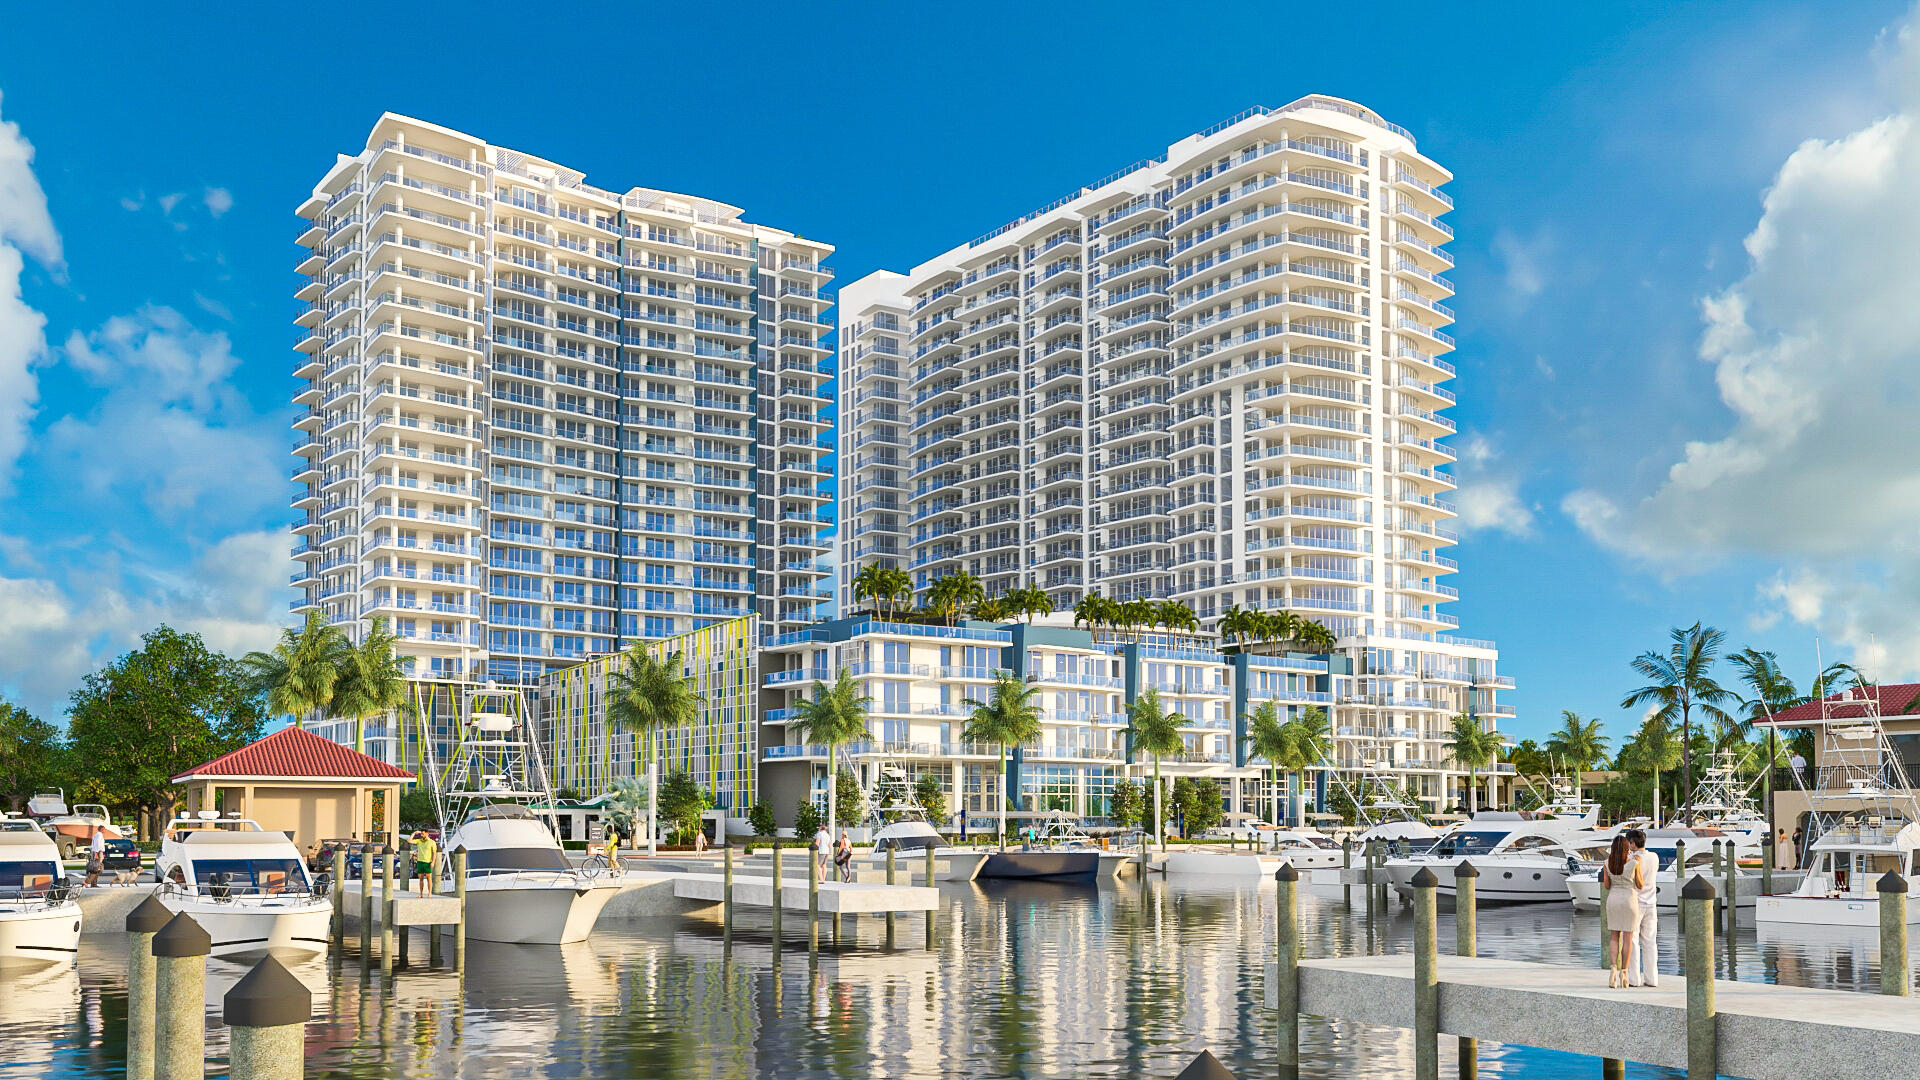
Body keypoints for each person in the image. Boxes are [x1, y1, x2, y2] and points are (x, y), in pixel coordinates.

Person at [1600, 833, 1645, 988]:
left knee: (1614, 937)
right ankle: (1624, 973)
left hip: (1613, 900)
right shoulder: (1634, 863)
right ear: (1627, 848)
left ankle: (1613, 970)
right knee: (1628, 938)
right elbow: (1640, 885)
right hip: (1629, 901)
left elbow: (1606, 886)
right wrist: (1636, 865)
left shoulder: (1607, 863)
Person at [1624, 828, 1659, 987]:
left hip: (1635, 903)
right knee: (1650, 942)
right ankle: (1652, 979)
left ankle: (1634, 979)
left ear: (1632, 843)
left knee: (1633, 940)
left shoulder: (1632, 859)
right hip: (1651, 903)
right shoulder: (1654, 857)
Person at [412, 830, 438, 897]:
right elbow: (409, 841)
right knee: (420, 879)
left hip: (428, 862)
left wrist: (433, 862)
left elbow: (434, 853)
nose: (421, 835)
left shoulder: (432, 842)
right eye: (421, 834)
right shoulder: (419, 841)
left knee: (429, 878)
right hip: (420, 862)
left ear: (427, 833)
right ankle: (421, 894)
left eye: (423, 834)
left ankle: (430, 893)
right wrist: (414, 833)